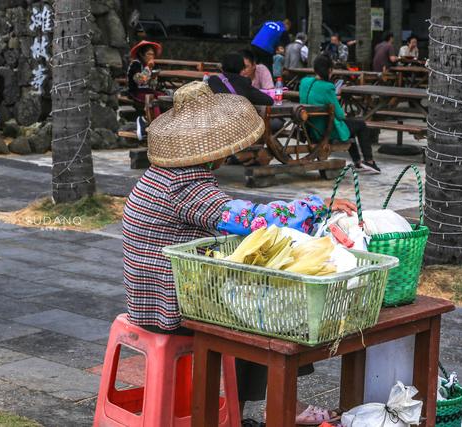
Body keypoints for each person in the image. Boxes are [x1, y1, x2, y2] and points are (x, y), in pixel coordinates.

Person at [123, 80, 353, 424]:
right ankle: (282, 406)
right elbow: (247, 219)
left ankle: (252, 407)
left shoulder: (165, 174)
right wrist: (316, 206)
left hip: (151, 292)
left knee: (258, 305)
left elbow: (232, 209)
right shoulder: (185, 185)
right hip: (167, 304)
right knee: (271, 317)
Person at [300, 54, 380, 173]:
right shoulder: (328, 87)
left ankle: (357, 162)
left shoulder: (305, 81)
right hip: (325, 130)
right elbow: (340, 115)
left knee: (351, 126)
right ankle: (369, 161)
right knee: (361, 125)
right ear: (329, 70)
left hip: (309, 128)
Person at [127, 40, 166, 140]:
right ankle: (155, 126)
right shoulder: (135, 64)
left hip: (147, 91)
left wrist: (153, 77)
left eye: (153, 54)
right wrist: (148, 68)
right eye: (149, 54)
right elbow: (140, 81)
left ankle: (165, 124)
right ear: (142, 54)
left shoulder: (150, 65)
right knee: (154, 101)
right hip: (136, 92)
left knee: (164, 97)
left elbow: (152, 86)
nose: (151, 57)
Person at [207, 52, 273, 105]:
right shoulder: (243, 82)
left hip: (214, 120)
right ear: (242, 68)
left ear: (222, 67)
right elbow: (268, 101)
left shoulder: (212, 80)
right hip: (235, 120)